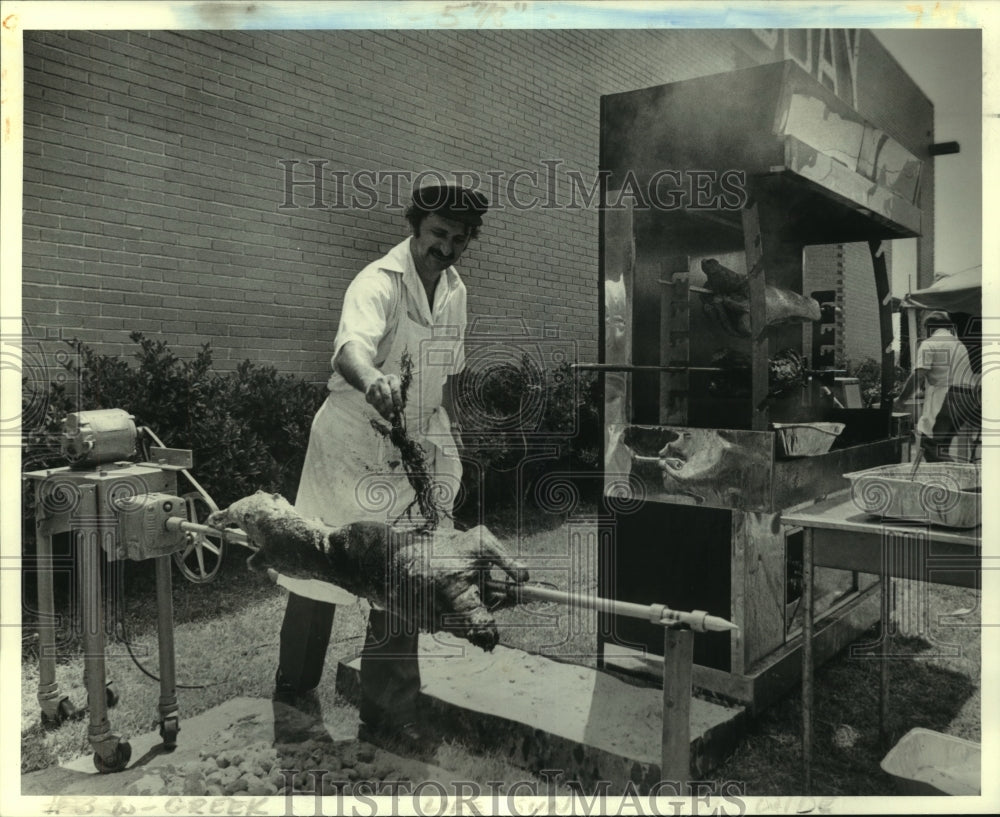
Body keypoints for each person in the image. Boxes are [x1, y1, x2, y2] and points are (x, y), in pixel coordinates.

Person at [276, 184, 488, 748]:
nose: (445, 247)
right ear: (417, 227)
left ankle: (389, 716)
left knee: (405, 577)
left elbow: (451, 375)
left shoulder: (456, 292)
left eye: (458, 239)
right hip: (349, 440)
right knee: (314, 566)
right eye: (438, 233)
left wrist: (455, 427)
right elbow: (351, 349)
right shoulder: (378, 281)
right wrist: (373, 381)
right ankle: (293, 697)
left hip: (409, 452)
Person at [896, 310, 980, 462]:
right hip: (967, 398)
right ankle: (951, 479)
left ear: (929, 327)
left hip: (948, 397)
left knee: (930, 445)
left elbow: (918, 375)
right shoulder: (958, 344)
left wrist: (902, 399)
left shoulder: (930, 344)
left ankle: (954, 481)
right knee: (942, 446)